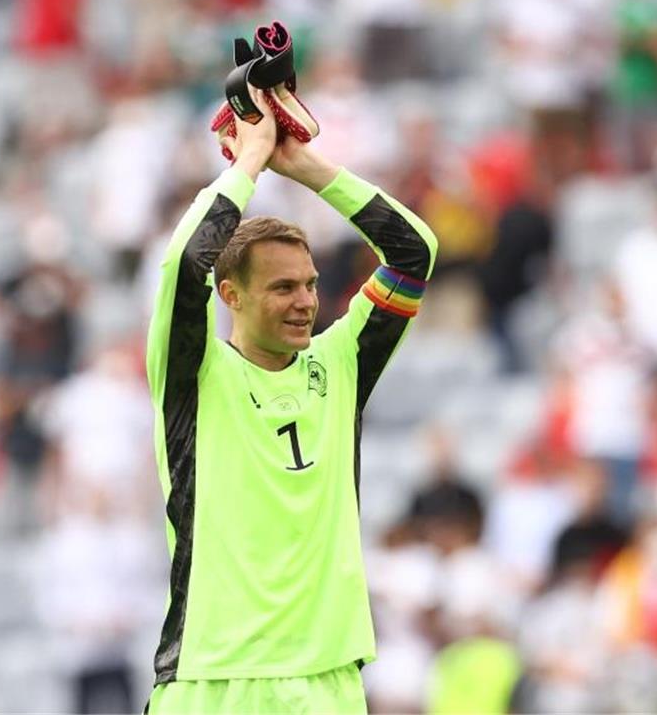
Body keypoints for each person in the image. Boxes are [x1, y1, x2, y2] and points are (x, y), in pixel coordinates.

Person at [142, 87, 438, 713]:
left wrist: (304, 167)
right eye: (282, 287)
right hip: (213, 678)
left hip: (327, 677)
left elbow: (414, 253)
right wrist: (246, 164)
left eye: (309, 284)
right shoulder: (194, 376)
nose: (305, 301)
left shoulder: (342, 362)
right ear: (231, 295)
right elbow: (184, 264)